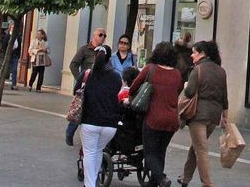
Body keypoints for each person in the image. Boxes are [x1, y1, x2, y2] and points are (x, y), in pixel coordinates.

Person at [132, 41, 185, 187]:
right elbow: (178, 91)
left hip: (153, 118)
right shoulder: (177, 74)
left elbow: (134, 87)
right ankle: (154, 182)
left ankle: (161, 178)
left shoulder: (150, 69)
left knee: (149, 153)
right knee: (161, 151)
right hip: (172, 119)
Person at [177, 40, 229, 187]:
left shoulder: (197, 70)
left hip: (198, 115)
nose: (192, 55)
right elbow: (225, 98)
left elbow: (189, 92)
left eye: (194, 52)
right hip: (214, 116)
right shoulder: (221, 71)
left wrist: (186, 84)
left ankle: (207, 183)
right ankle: (185, 177)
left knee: (200, 149)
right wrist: (225, 117)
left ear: (202, 54)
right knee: (196, 146)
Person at [77, 46, 123, 187]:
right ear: (110, 58)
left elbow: (76, 91)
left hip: (90, 122)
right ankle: (92, 182)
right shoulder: (116, 77)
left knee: (89, 153)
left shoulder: (87, 75)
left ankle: (90, 184)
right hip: (110, 125)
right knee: (97, 151)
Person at [65, 27, 107, 146]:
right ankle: (70, 132)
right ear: (94, 36)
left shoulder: (103, 52)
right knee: (80, 109)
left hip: (99, 85)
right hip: (86, 85)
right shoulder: (85, 50)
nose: (102, 37)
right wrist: (80, 78)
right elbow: (73, 65)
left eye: (104, 36)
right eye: (100, 35)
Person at [6, 22, 23, 88]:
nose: (13, 29)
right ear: (10, 28)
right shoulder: (7, 36)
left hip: (15, 54)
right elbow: (4, 45)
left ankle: (13, 84)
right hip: (9, 54)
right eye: (12, 27)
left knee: (14, 69)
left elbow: (19, 47)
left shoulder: (18, 37)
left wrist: (18, 55)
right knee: (6, 68)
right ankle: (2, 80)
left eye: (14, 27)